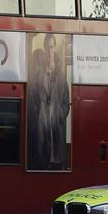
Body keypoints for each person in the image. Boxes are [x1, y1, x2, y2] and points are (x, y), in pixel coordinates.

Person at [44, 34, 70, 170]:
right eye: (47, 47)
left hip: (56, 128)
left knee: (57, 162)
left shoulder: (60, 75)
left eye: (52, 47)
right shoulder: (38, 72)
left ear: (54, 49)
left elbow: (66, 102)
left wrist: (59, 115)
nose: (49, 50)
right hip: (42, 128)